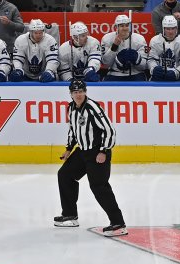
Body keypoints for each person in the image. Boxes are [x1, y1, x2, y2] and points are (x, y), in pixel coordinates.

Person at [53, 79, 126, 236]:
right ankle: (70, 215)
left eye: (81, 92)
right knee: (65, 175)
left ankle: (118, 223)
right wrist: (68, 149)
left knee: (99, 186)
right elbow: (73, 130)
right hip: (82, 151)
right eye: (75, 92)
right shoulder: (71, 108)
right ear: (70, 94)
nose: (78, 95)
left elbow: (109, 130)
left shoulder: (93, 107)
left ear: (85, 92)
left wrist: (104, 151)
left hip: (97, 151)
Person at [99, 15, 149, 81]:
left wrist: (136, 59)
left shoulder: (139, 39)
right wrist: (114, 46)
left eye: (127, 25)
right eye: (122, 26)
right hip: (114, 74)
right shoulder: (107, 38)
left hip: (135, 74)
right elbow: (106, 64)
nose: (125, 28)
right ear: (116, 27)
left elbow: (143, 66)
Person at [148, 15, 180, 82]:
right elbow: (151, 60)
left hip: (178, 76)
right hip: (159, 75)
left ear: (176, 28)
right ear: (163, 29)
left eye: (173, 28)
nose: (171, 32)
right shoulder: (155, 41)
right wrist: (154, 69)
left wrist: (176, 72)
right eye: (168, 29)